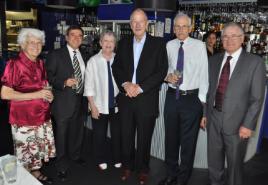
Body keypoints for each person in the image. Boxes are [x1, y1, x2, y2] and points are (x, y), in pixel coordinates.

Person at [200, 22, 266, 185]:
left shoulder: (254, 62)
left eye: (234, 36)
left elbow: (257, 99)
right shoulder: (214, 61)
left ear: (242, 38)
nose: (229, 40)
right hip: (214, 119)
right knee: (214, 163)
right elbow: (208, 92)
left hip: (238, 125)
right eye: (225, 36)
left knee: (235, 167)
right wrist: (204, 114)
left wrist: (248, 125)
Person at [112, 8, 168, 185]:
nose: (137, 24)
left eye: (141, 21)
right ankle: (127, 166)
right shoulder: (123, 43)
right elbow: (117, 68)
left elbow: (161, 71)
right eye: (134, 21)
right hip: (126, 99)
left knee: (144, 138)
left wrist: (141, 87)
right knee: (126, 136)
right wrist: (126, 84)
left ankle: (143, 168)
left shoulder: (158, 44)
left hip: (146, 100)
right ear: (130, 24)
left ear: (147, 24)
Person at [0, 28, 55, 184]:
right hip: (23, 119)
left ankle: (36, 172)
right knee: (26, 153)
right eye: (31, 42)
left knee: (36, 151)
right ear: (22, 44)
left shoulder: (40, 63)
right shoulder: (14, 64)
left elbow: (43, 86)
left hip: (41, 115)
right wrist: (37, 95)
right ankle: (25, 178)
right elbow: (5, 94)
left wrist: (48, 93)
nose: (36, 46)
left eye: (39, 43)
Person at [159, 13, 208, 185]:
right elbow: (163, 69)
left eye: (184, 26)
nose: (180, 30)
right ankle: (171, 174)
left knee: (188, 143)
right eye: (177, 26)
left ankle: (183, 179)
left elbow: (204, 76)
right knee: (170, 139)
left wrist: (202, 105)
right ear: (173, 29)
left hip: (191, 99)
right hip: (172, 97)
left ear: (190, 28)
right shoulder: (169, 45)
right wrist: (167, 77)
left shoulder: (200, 46)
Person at [45, 25, 87, 181]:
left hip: (80, 100)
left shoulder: (85, 55)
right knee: (62, 135)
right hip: (63, 102)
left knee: (77, 131)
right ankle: (61, 166)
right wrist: (63, 82)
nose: (76, 38)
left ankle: (75, 155)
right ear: (67, 37)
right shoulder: (56, 54)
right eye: (73, 35)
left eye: (80, 35)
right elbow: (48, 76)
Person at [84, 30, 121, 170]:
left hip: (117, 105)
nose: (108, 44)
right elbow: (88, 85)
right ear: (100, 43)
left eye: (111, 41)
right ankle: (100, 158)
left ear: (115, 44)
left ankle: (117, 157)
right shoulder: (93, 61)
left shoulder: (119, 59)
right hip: (99, 105)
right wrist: (92, 106)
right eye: (105, 41)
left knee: (117, 134)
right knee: (99, 135)